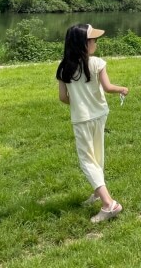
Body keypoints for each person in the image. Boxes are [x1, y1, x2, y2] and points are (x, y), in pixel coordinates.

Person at [56, 23, 128, 223]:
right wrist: (122, 88)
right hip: (100, 114)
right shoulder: (97, 63)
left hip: (82, 118)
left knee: (87, 160)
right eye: (92, 39)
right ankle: (98, 194)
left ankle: (108, 203)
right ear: (83, 43)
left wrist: (78, 102)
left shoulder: (63, 67)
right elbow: (108, 87)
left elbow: (63, 97)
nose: (95, 42)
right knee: (97, 154)